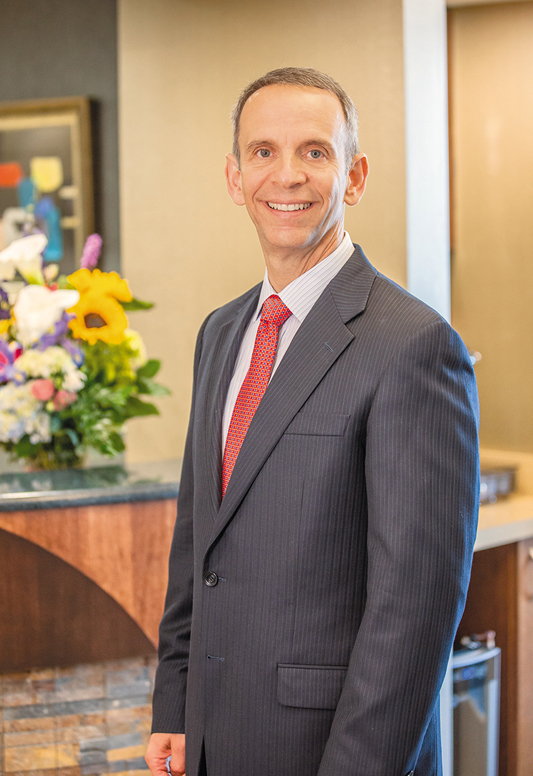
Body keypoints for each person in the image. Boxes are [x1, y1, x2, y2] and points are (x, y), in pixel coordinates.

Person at [145, 67, 479, 776]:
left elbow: (414, 610)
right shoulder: (222, 330)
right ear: (235, 178)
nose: (286, 176)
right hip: (211, 737)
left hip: (333, 750)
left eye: (314, 152)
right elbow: (197, 540)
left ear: (353, 177)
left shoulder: (413, 346)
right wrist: (175, 706)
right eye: (263, 152)